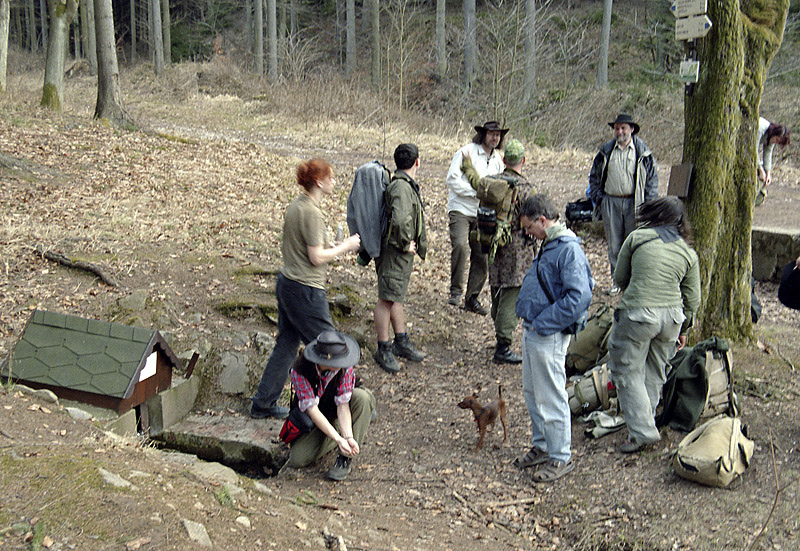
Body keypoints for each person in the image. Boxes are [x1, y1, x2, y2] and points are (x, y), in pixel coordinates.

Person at [251, 159, 361, 419]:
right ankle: (348, 403)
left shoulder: (298, 205)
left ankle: (262, 404)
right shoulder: (310, 211)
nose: (334, 182)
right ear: (319, 182)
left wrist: (336, 243)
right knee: (333, 348)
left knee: (287, 345)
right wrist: (346, 247)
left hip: (288, 283)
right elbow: (316, 257)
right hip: (305, 290)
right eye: (331, 178)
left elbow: (311, 247)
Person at [607, 196, 701, 453]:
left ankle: (643, 432)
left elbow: (620, 277)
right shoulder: (687, 252)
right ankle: (644, 425)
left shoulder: (638, 238)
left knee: (627, 371)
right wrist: (684, 329)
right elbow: (693, 299)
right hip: (671, 318)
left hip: (638, 313)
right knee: (655, 372)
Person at [514, 194, 593, 482]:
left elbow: (579, 297)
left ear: (543, 221)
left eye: (528, 227)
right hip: (536, 330)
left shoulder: (567, 249)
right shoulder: (552, 244)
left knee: (551, 395)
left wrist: (545, 323)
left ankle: (560, 456)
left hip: (548, 333)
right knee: (533, 392)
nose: (526, 233)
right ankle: (543, 445)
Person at [461, 139, 536, 364]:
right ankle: (503, 346)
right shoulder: (526, 189)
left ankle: (499, 335)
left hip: (493, 243)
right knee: (512, 295)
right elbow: (532, 221)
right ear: (523, 160)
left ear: (504, 160)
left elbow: (475, 182)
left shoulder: (491, 182)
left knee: (497, 289)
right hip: (518, 249)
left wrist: (467, 166)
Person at [286, 330, 376, 481]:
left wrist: (347, 437)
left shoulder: (345, 366)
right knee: (297, 459)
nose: (340, 365)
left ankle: (345, 457)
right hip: (318, 414)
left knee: (362, 398)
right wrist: (337, 439)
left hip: (339, 407)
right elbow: (312, 410)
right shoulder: (299, 370)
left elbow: (343, 405)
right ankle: (352, 423)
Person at [588, 113, 659, 295]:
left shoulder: (643, 152)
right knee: (614, 245)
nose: (619, 131)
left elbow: (652, 180)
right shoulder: (606, 150)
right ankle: (617, 281)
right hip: (610, 202)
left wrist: (648, 205)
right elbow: (594, 176)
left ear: (632, 129)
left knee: (634, 243)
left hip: (634, 203)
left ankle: (633, 283)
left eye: (623, 128)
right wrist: (599, 198)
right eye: (617, 128)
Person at [373, 144, 427, 373]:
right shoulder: (402, 188)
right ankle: (383, 348)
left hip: (397, 254)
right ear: (417, 162)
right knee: (386, 299)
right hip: (395, 253)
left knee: (395, 295)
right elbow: (402, 219)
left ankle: (400, 340)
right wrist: (405, 243)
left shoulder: (402, 185)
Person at [445, 121, 508, 314]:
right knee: (461, 246)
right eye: (491, 134)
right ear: (483, 134)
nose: (495, 138)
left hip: (483, 214)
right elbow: (452, 179)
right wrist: (476, 193)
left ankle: (472, 297)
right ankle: (455, 291)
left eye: (498, 135)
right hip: (461, 208)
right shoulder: (466, 152)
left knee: (482, 255)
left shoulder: (498, 160)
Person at [755, 117, 791, 206]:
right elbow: (753, 150)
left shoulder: (771, 138)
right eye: (777, 140)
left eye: (778, 143)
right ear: (775, 133)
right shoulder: (761, 128)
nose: (775, 143)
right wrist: (760, 170)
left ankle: (760, 193)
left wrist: (768, 173)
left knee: (762, 176)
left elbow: (768, 153)